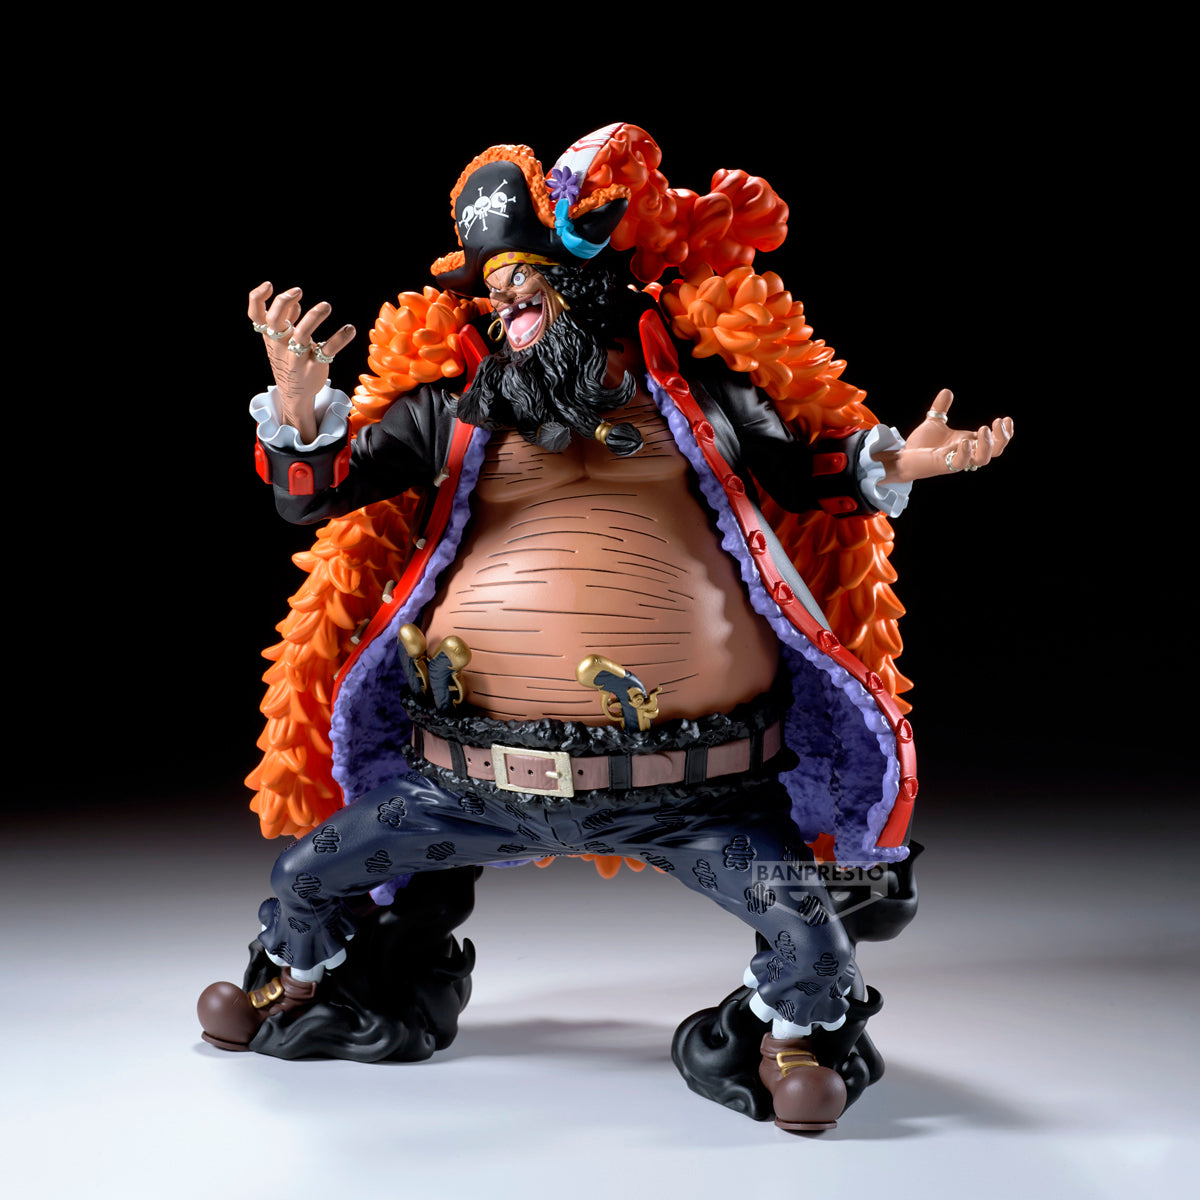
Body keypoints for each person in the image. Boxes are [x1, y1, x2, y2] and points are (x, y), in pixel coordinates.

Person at [200, 123, 1012, 1132]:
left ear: (588, 285)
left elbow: (810, 474)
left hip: (696, 793)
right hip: (465, 782)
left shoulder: (700, 400)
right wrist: (297, 407)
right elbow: (315, 494)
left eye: (524, 285)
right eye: (494, 292)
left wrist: (894, 464)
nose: (505, 308)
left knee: (810, 933)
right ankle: (301, 983)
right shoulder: (456, 412)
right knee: (305, 876)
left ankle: (795, 1040)